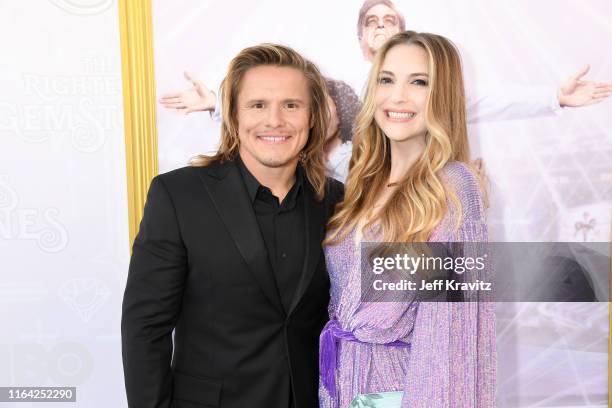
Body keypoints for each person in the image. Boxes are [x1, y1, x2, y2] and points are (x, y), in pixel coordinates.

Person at [121, 43, 344, 408]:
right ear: (234, 114)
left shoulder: (339, 202)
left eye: (291, 105)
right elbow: (145, 328)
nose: (275, 120)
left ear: (313, 116)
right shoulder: (179, 196)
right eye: (258, 105)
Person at [319, 31, 495, 407]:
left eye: (418, 82)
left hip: (404, 393)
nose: (397, 96)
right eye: (386, 79)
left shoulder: (453, 187)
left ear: (442, 95)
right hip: (341, 386)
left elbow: (452, 340)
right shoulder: (361, 183)